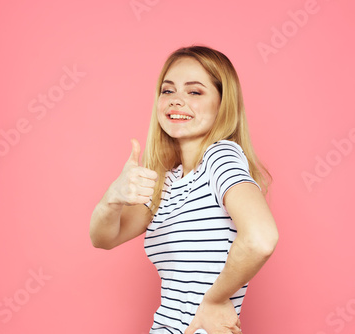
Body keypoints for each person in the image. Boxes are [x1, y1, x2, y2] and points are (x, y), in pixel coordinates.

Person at [90, 45, 279, 334]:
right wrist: (112, 198)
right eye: (168, 91)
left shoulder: (221, 157)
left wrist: (215, 301)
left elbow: (261, 238)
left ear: (222, 103)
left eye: (195, 92)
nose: (177, 101)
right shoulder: (167, 182)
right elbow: (103, 238)